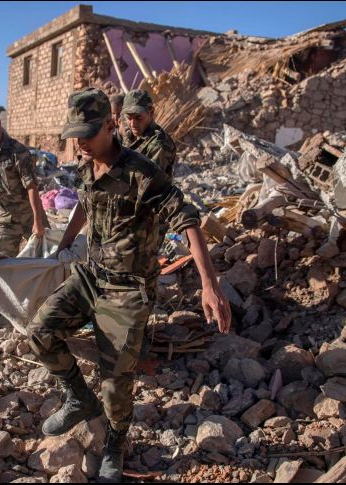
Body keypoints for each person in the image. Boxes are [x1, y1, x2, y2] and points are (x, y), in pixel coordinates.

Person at [26, 88, 232, 482]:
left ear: (110, 124)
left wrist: (210, 284)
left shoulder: (141, 171)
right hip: (91, 276)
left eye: (89, 133)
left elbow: (186, 218)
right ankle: (78, 399)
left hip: (128, 289)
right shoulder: (87, 165)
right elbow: (87, 204)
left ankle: (115, 444)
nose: (82, 143)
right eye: (76, 136)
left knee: (115, 381)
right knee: (40, 333)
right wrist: (64, 244)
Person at [0, 102, 49, 257]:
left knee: (46, 260)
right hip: (5, 220)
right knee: (2, 265)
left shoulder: (17, 151)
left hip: (28, 215)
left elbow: (31, 186)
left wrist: (37, 221)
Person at [122, 89, 177, 179]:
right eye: (129, 118)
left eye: (138, 117)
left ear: (151, 112)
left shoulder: (160, 143)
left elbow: (144, 181)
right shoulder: (130, 135)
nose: (133, 124)